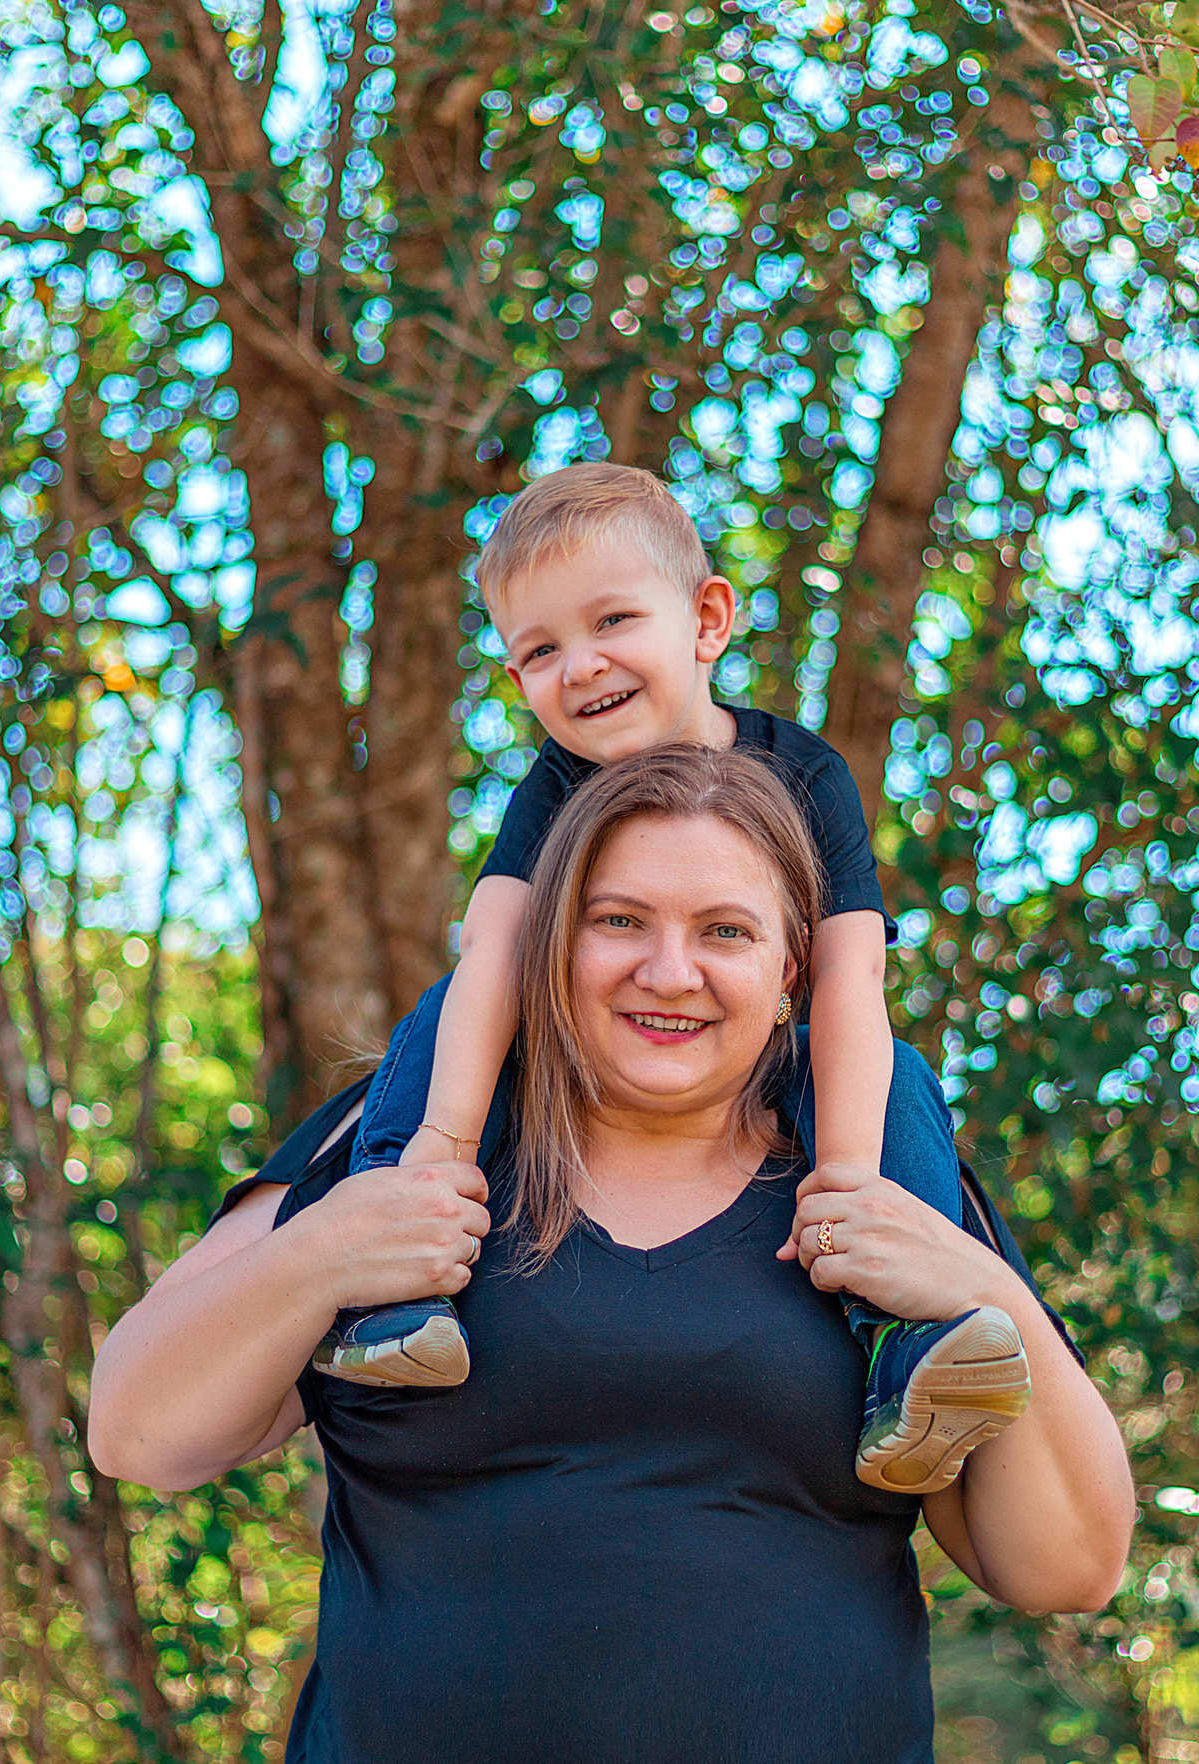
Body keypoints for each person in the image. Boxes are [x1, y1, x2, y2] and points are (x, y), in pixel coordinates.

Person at [88, 747, 1134, 1764]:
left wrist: (984, 1285)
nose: (668, 971)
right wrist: (321, 1252)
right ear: (547, 943)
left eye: (724, 930)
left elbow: (1068, 1566)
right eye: (618, 921)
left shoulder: (879, 1189)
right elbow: (140, 1436)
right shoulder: (405, 1144)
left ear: (791, 967)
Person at [320, 462, 991, 1495]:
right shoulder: (552, 791)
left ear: (707, 618)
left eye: (611, 622)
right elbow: (494, 953)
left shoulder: (802, 772)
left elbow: (849, 981)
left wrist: (850, 1184)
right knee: (445, 1012)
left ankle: (904, 1337)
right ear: (517, 682)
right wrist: (442, 1158)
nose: (580, 667)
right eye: (540, 650)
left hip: (752, 1065)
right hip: (578, 1060)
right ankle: (392, 1284)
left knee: (892, 1072)